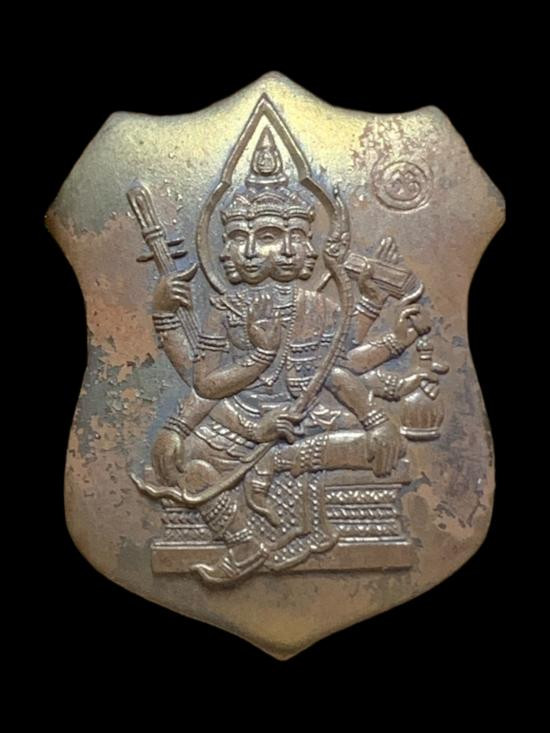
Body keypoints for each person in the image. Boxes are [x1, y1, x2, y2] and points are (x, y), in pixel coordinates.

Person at [143, 129, 431, 585]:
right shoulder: (226, 308)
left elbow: (342, 364)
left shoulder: (314, 304)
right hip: (238, 422)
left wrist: (376, 415)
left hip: (309, 422)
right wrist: (177, 423)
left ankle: (286, 469)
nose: (250, 251)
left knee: (375, 447)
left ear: (297, 242)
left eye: (268, 236)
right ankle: (244, 544)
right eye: (238, 237)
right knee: (179, 462)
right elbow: (203, 383)